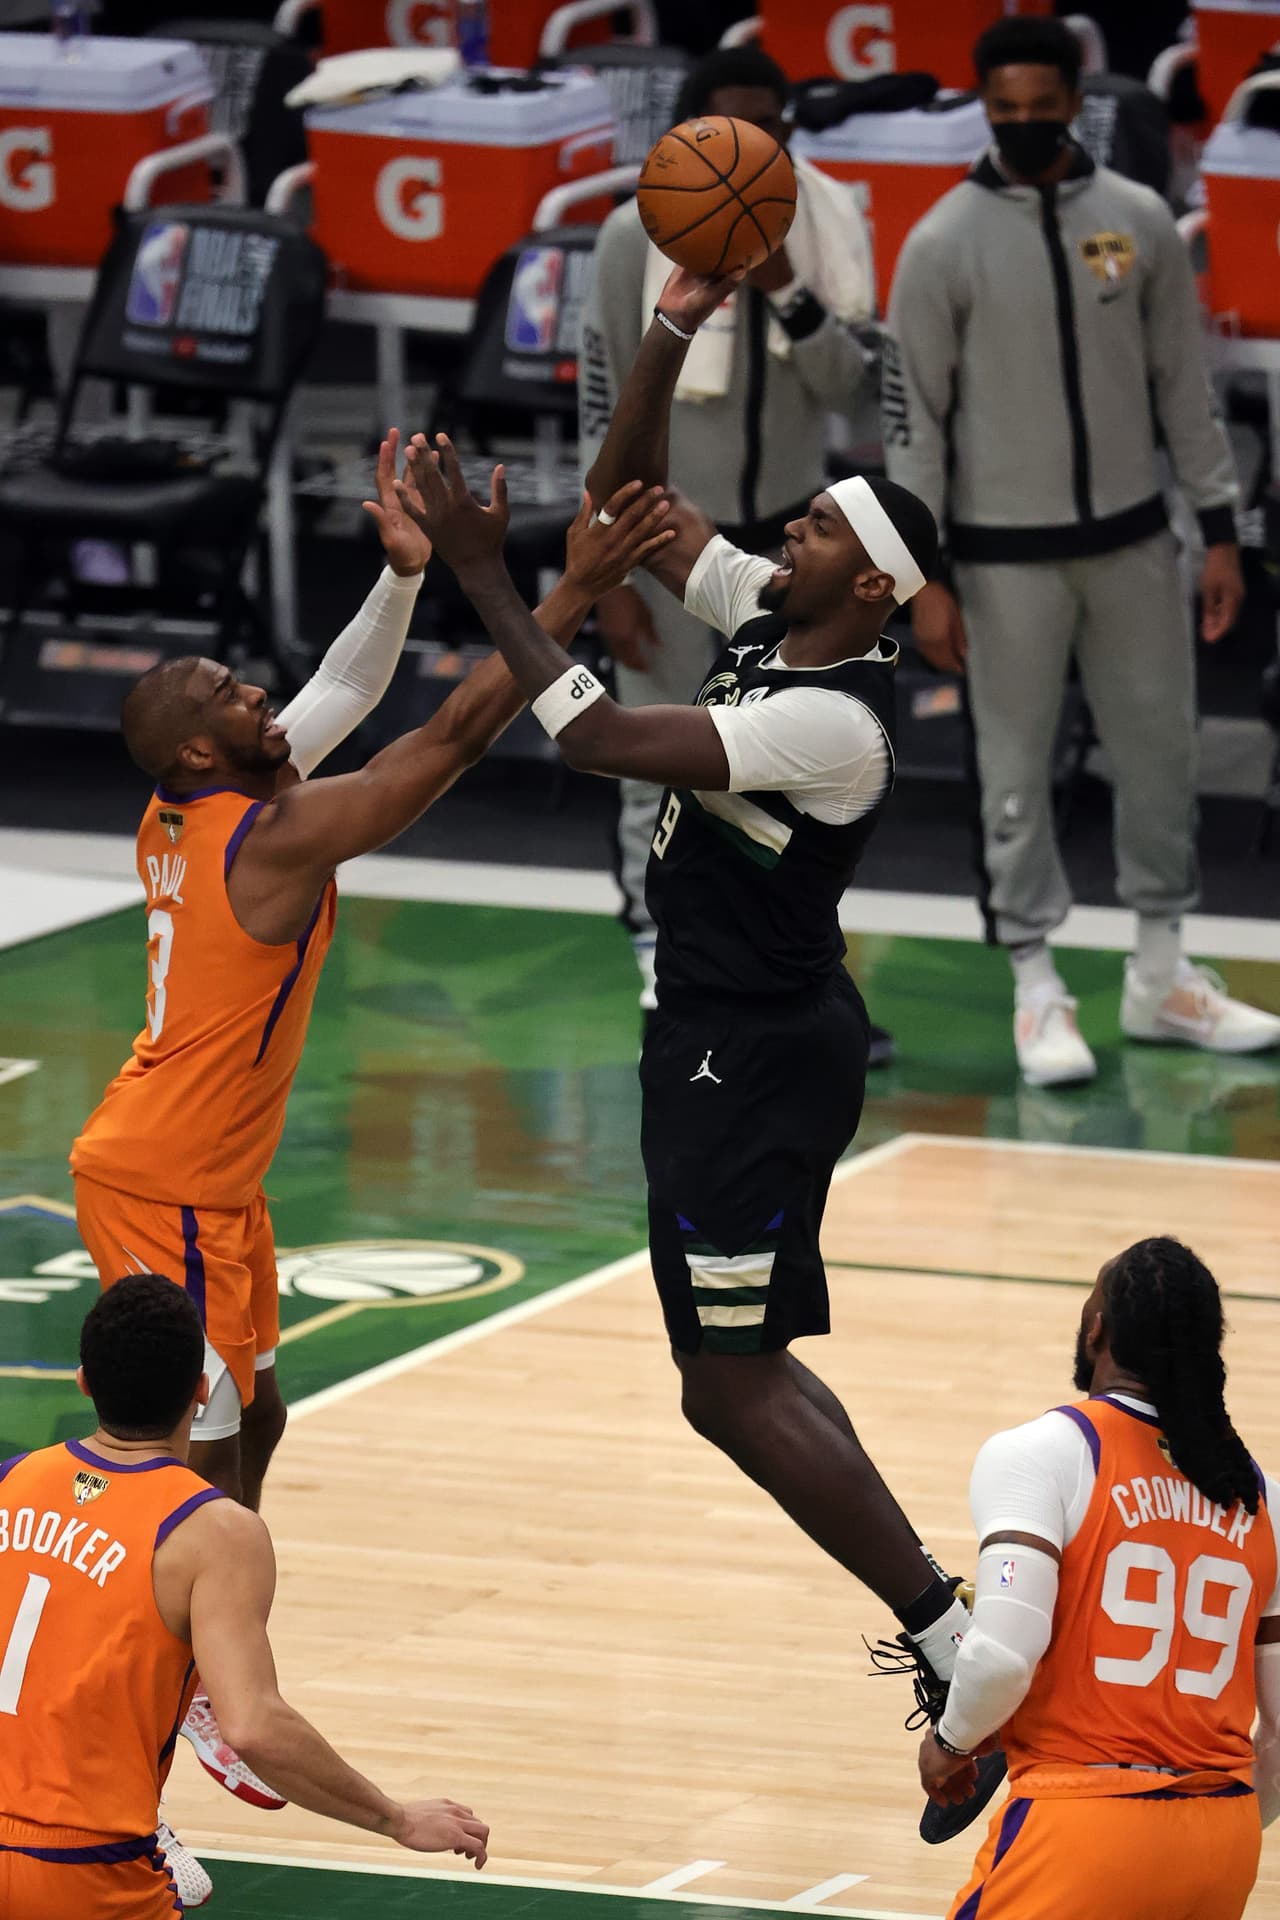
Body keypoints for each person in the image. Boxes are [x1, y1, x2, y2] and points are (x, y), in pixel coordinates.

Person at [395, 266, 1001, 1840]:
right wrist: (672, 328)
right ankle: (950, 1629)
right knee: (739, 1372)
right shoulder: (773, 620)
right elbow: (632, 509)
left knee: (727, 1387)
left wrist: (488, 573)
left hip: (755, 1054)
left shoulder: (838, 720)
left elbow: (596, 735)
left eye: (819, 528)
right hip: (730, 1042)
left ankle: (956, 1644)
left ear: (872, 586)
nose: (787, 531)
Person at [67, 438, 666, 1823]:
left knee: (262, 1415)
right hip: (166, 1185)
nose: (257, 691)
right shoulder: (269, 840)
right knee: (193, 1479)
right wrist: (565, 589)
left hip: (201, 1175)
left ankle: (204, 1661)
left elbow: (334, 696)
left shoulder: (196, 803)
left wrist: (401, 581)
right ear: (205, 748)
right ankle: (185, 1701)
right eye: (231, 692)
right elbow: (443, 741)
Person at [882, 14, 1280, 1088]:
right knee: (1011, 776)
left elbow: (1183, 389)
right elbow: (913, 427)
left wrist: (1217, 530)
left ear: (1074, 102)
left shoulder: (1138, 221)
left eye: (1039, 106)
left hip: (1135, 545)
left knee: (1161, 759)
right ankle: (1035, 986)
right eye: (1002, 109)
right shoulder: (939, 243)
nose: (1021, 124)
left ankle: (1161, 976)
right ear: (985, 108)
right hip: (999, 563)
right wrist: (922, 579)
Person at [579, 47, 894, 1064]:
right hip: (663, 533)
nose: (752, 144)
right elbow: (602, 401)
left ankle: (796, 964)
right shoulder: (629, 235)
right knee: (653, 751)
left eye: (770, 125)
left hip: (793, 547)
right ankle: (655, 952)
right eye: (730, 126)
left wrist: (790, 289)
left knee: (791, 778)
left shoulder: (826, 221)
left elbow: (858, 393)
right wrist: (607, 571)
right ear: (691, 133)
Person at [0, 1274, 489, 1920]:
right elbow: (254, 1726)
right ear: (201, 1391)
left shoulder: (10, 1482)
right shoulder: (215, 1533)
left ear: (84, 1382)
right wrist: (394, 1817)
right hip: (85, 1870)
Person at [920, 1236, 1280, 1917]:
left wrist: (950, 1743)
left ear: (1096, 1328)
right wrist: (1198, 1839)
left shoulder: (1043, 1453)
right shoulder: (1263, 1496)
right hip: (1224, 1844)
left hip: (1083, 1829)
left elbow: (1002, 1656)